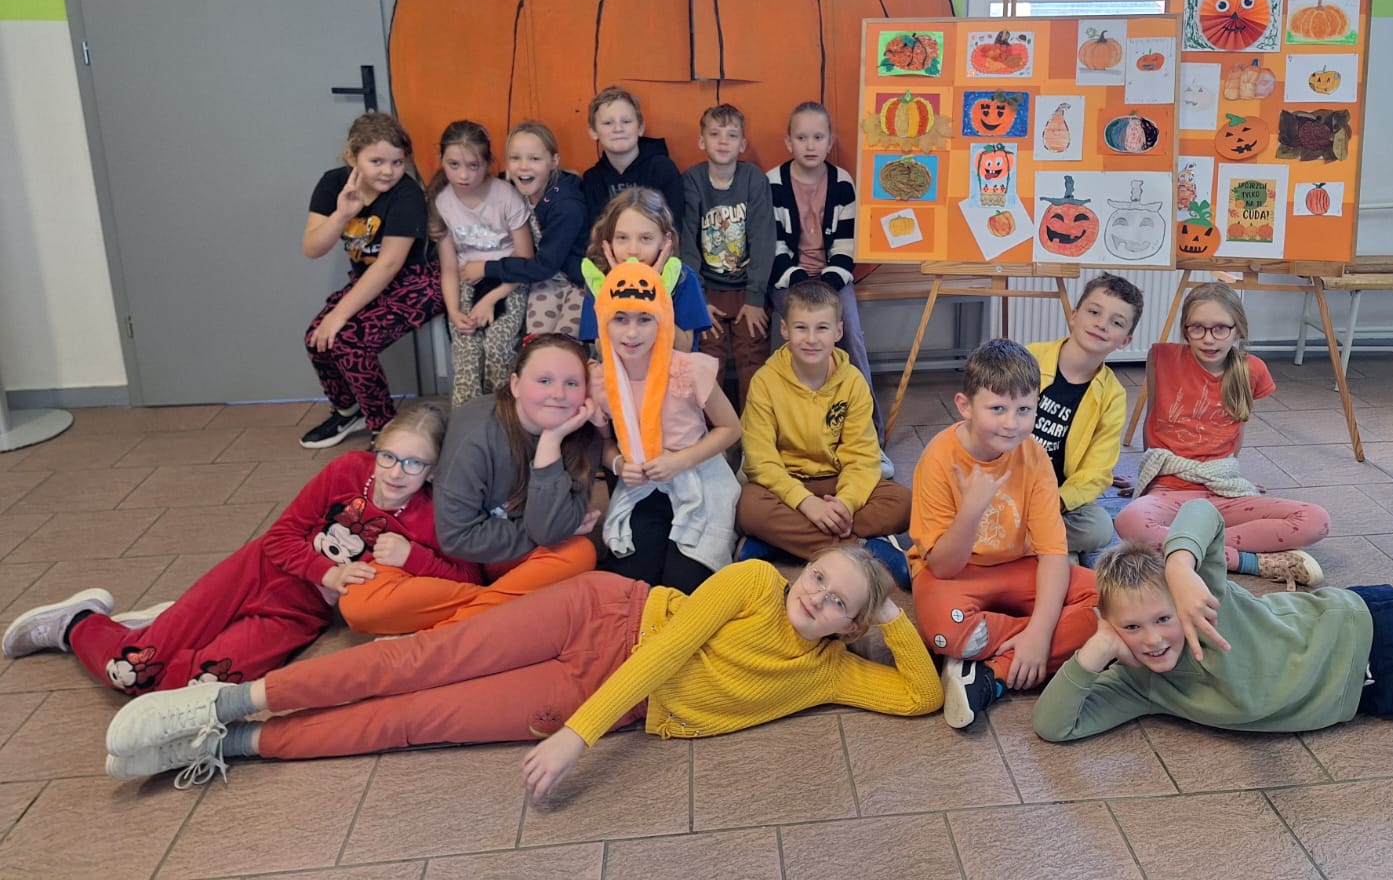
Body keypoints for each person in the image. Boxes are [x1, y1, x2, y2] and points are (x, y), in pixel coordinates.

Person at [101, 546, 942, 790]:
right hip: (605, 616)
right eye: (819, 578)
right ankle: (226, 701)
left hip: (605, 699)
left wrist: (894, 616)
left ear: (852, 624)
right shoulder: (756, 581)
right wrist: (578, 739)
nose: (816, 597)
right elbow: (664, 652)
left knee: (418, 720)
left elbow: (919, 696)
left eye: (839, 602)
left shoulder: (831, 672)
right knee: (420, 662)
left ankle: (234, 745)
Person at [1032, 500, 1393, 743]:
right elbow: (1054, 726)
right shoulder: (1139, 684)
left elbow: (1200, 512)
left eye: (1162, 618)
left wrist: (1180, 567)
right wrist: (1095, 650)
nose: (1154, 638)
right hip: (1379, 696)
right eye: (1132, 628)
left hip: (1380, 625)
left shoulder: (1204, 602)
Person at [2, 407, 472, 692]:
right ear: (376, 451)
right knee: (131, 671)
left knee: (191, 685)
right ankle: (77, 623)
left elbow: (468, 583)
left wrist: (413, 558)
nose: (396, 472)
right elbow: (281, 537)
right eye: (389, 456)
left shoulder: (433, 513)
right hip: (257, 573)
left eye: (414, 463)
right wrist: (326, 573)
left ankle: (153, 633)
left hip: (298, 614)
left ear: (433, 471)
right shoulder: (348, 469)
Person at [336, 336, 599, 635]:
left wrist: (552, 441)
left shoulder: (583, 432)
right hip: (449, 560)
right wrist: (552, 528)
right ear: (515, 385)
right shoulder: (477, 432)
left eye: (572, 383)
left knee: (578, 553)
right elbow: (458, 538)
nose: (558, 394)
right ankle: (504, 605)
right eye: (544, 380)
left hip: (515, 556)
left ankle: (443, 634)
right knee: (359, 604)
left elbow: (551, 532)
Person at [910, 339, 1101, 730]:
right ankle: (1045, 644)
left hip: (1019, 564)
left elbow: (1052, 552)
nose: (1012, 423)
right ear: (965, 406)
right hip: (957, 574)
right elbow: (943, 568)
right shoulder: (938, 458)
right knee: (945, 632)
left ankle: (989, 672)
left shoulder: (1034, 456)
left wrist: (1039, 634)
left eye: (1024, 410)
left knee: (1115, 602)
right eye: (997, 409)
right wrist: (972, 510)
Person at [1113, 283, 1329, 587]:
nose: (1208, 338)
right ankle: (1250, 562)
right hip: (1168, 492)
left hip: (1222, 493)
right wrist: (1147, 475)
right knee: (1128, 521)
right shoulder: (1161, 357)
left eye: (1220, 329)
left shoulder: (1252, 369)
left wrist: (1227, 475)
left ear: (1238, 330)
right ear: (1185, 330)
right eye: (1197, 328)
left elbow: (1237, 431)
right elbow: (1154, 418)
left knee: (1316, 520)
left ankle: (1191, 549)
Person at [736, 281, 913, 586]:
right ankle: (863, 550)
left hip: (837, 479)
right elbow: (759, 460)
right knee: (747, 507)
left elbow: (862, 457)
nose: (811, 339)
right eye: (801, 328)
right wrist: (806, 503)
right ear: (785, 329)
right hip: (786, 484)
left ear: (838, 332)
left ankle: (781, 543)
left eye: (822, 328)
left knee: (903, 502)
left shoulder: (853, 382)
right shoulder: (765, 381)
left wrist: (845, 503)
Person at [588, 255, 741, 592]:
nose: (631, 332)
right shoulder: (600, 381)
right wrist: (618, 464)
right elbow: (603, 443)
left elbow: (731, 428)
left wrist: (681, 460)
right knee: (633, 584)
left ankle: (730, 541)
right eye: (620, 319)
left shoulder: (687, 368)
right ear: (604, 321)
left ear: (662, 320)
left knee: (684, 584)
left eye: (644, 319)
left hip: (697, 476)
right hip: (643, 485)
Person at [300, 112, 444, 448]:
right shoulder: (333, 185)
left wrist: (340, 314)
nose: (388, 171)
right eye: (376, 161)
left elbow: (389, 264)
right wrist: (341, 215)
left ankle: (383, 427)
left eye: (397, 162)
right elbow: (312, 248)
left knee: (349, 340)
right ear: (352, 157)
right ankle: (349, 411)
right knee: (316, 339)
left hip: (418, 282)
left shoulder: (406, 194)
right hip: (370, 282)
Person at [768, 101, 891, 475]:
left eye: (818, 137)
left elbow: (846, 246)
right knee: (790, 337)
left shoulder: (841, 182)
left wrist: (828, 285)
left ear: (830, 141)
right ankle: (778, 438)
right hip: (788, 277)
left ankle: (871, 438)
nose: (810, 145)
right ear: (788, 142)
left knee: (849, 333)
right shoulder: (773, 182)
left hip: (833, 277)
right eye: (802, 137)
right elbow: (773, 244)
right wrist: (800, 284)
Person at [1027, 274, 1143, 561]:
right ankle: (1037, 546)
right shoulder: (1029, 358)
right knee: (1064, 562)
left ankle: (1014, 543)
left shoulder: (1112, 395)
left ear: (1126, 340)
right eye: (1094, 312)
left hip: (1056, 500)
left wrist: (1058, 502)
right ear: (1074, 315)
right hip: (1002, 485)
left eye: (1117, 323)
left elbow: (1097, 470)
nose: (1101, 324)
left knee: (1099, 527)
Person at [428, 120, 534, 407]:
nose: (463, 175)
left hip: (509, 281)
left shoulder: (506, 196)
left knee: (497, 348)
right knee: (467, 353)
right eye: (454, 165)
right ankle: (466, 421)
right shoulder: (442, 202)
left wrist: (491, 299)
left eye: (473, 166)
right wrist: (453, 311)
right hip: (467, 283)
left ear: (487, 162)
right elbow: (449, 269)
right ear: (441, 160)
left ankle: (505, 416)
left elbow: (525, 260)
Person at [682, 103, 775, 408]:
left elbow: (763, 239)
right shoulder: (692, 180)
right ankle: (713, 430)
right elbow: (687, 244)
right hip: (707, 290)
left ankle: (754, 426)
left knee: (753, 355)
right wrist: (697, 300)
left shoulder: (753, 179)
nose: (723, 141)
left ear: (742, 144)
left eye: (732, 135)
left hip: (748, 288)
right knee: (708, 360)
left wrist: (756, 298)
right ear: (701, 141)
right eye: (715, 134)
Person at [460, 121, 589, 339]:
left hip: (576, 283)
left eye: (534, 159)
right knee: (537, 344)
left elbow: (543, 266)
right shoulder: (509, 188)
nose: (523, 166)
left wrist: (486, 268)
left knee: (564, 345)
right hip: (541, 280)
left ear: (554, 161)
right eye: (515, 158)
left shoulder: (566, 206)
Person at [577, 188, 712, 353]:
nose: (633, 250)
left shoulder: (682, 277)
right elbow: (602, 349)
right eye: (622, 238)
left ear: (664, 241)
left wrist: (653, 295)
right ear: (609, 241)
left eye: (646, 238)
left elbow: (684, 346)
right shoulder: (599, 279)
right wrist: (620, 293)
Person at [580, 85, 686, 231]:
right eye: (608, 123)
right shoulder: (592, 180)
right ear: (593, 131)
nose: (618, 129)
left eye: (626, 121)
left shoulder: (662, 169)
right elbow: (596, 232)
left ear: (640, 127)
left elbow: (674, 227)